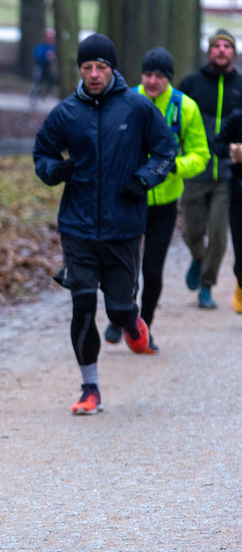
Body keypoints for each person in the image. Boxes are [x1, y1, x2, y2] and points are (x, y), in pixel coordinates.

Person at [33, 34, 177, 415]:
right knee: (82, 307)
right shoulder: (66, 113)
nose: (94, 74)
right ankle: (90, 387)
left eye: (101, 67)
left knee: (116, 309)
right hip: (77, 227)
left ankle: (131, 320)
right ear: (79, 70)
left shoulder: (138, 108)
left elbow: (166, 151)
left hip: (123, 226)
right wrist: (55, 170)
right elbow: (42, 153)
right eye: (87, 67)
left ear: (113, 69)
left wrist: (144, 178)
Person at [104, 47, 210, 352]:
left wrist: (173, 166)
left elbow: (200, 154)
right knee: (123, 266)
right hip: (128, 197)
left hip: (164, 203)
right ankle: (121, 315)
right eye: (148, 74)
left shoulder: (184, 107)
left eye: (159, 76)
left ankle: (142, 327)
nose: (152, 81)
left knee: (151, 269)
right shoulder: (123, 99)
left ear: (169, 79)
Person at [178, 29, 242, 308]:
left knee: (218, 233)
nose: (221, 50)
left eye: (227, 46)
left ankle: (207, 286)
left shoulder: (241, 86)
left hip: (228, 175)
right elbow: (173, 118)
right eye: (216, 45)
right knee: (192, 232)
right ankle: (197, 255)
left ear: (234, 53)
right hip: (195, 169)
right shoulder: (191, 83)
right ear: (209, 51)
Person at [210, 109, 242, 313]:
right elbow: (216, 144)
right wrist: (233, 150)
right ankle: (241, 282)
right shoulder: (237, 118)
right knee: (240, 249)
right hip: (239, 193)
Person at [29, 29, 57, 107]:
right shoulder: (41, 46)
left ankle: (43, 95)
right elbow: (37, 56)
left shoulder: (53, 47)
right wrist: (46, 56)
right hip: (39, 67)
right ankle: (33, 98)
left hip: (48, 68)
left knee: (51, 81)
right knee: (37, 82)